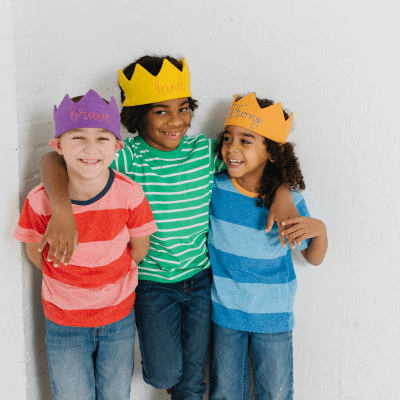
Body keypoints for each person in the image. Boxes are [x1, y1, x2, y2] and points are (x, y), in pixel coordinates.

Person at [39, 57, 300, 399]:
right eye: (161, 111)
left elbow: (257, 163)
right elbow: (53, 160)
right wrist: (61, 208)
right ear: (137, 115)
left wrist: (282, 191)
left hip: (203, 281)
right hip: (153, 285)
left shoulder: (205, 152)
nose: (176, 121)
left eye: (183, 108)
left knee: (193, 379)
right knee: (164, 374)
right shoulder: (127, 155)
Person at [14, 89, 157, 400]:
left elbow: (140, 249)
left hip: (117, 317)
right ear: (58, 146)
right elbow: (34, 252)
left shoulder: (129, 194)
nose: (90, 148)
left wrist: (111, 274)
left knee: (115, 394)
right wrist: (69, 278)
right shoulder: (39, 201)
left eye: (102, 139)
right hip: (64, 322)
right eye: (77, 138)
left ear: (117, 147)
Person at [208, 93, 328, 400]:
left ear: (272, 151)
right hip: (226, 315)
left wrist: (320, 230)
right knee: (224, 393)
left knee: (274, 393)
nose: (231, 148)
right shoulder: (214, 188)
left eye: (246, 141)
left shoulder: (290, 201)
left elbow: (312, 257)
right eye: (227, 138)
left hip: (272, 316)